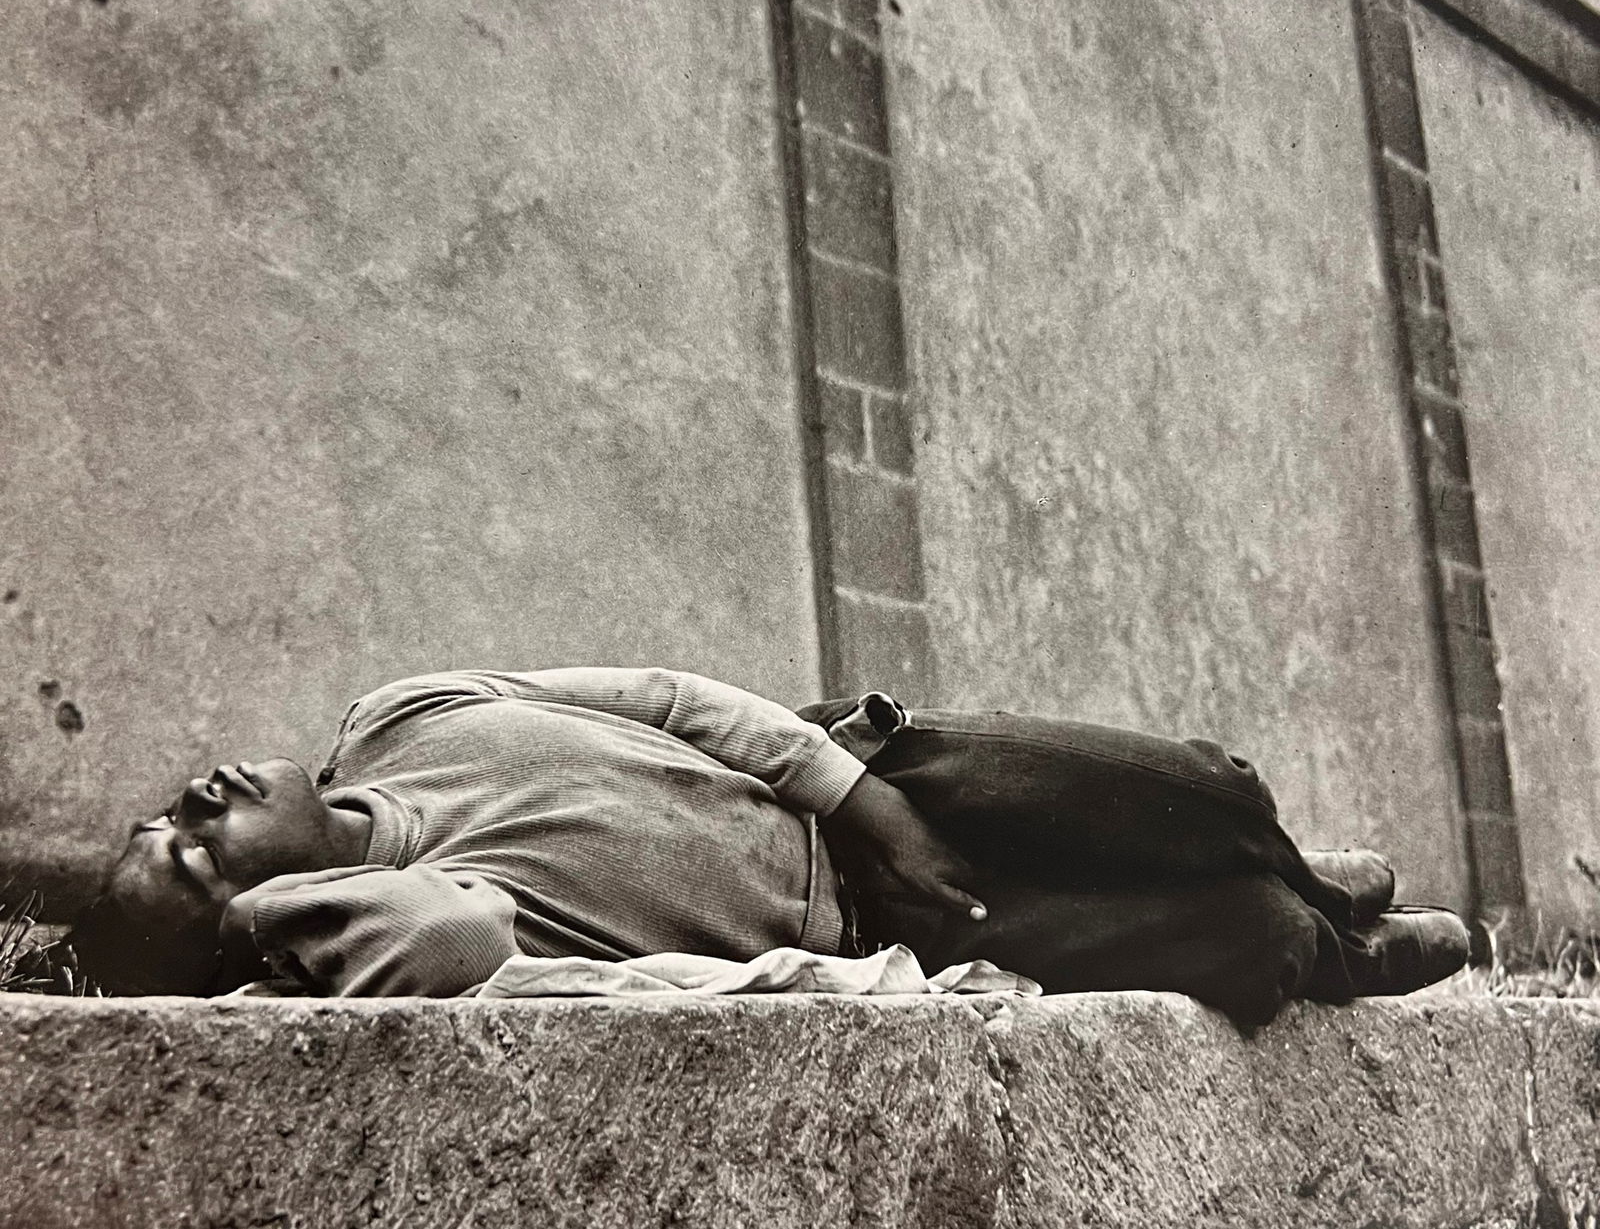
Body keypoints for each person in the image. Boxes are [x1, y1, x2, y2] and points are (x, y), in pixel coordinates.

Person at [64, 667, 1469, 1026]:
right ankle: (1326, 940)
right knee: (1250, 943)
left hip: (863, 775)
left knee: (1204, 786)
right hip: (889, 932)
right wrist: (270, 928)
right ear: (279, 908)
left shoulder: (401, 714)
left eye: (167, 810)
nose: (190, 796)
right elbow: (463, 941)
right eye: (194, 850)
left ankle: (1305, 874)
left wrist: (867, 800)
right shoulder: (435, 920)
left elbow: (671, 699)